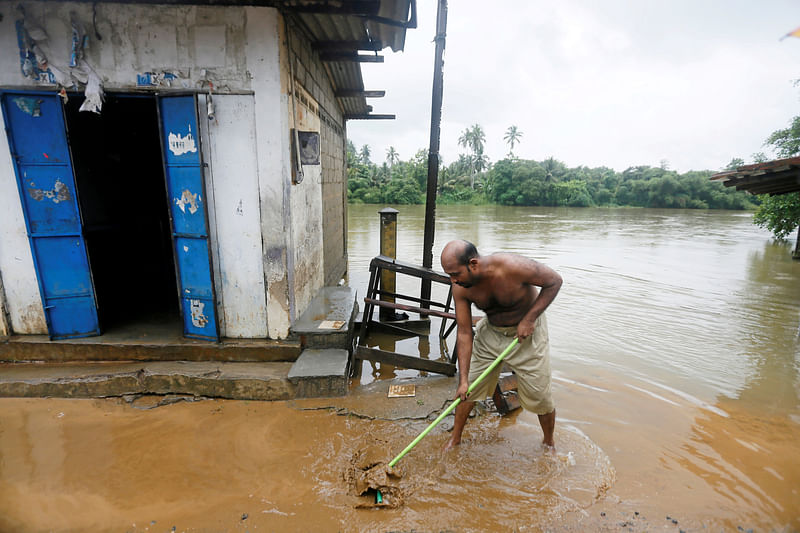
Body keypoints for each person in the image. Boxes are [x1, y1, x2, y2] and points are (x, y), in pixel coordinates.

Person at [440, 239, 563, 452]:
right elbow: (464, 332)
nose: (453, 280)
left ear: (473, 264)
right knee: (468, 390)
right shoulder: (460, 287)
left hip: (526, 334)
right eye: (449, 275)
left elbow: (554, 281)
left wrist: (530, 318)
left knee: (540, 395)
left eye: (456, 274)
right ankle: (455, 439)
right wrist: (463, 379)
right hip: (491, 334)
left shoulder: (512, 266)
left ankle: (549, 442)